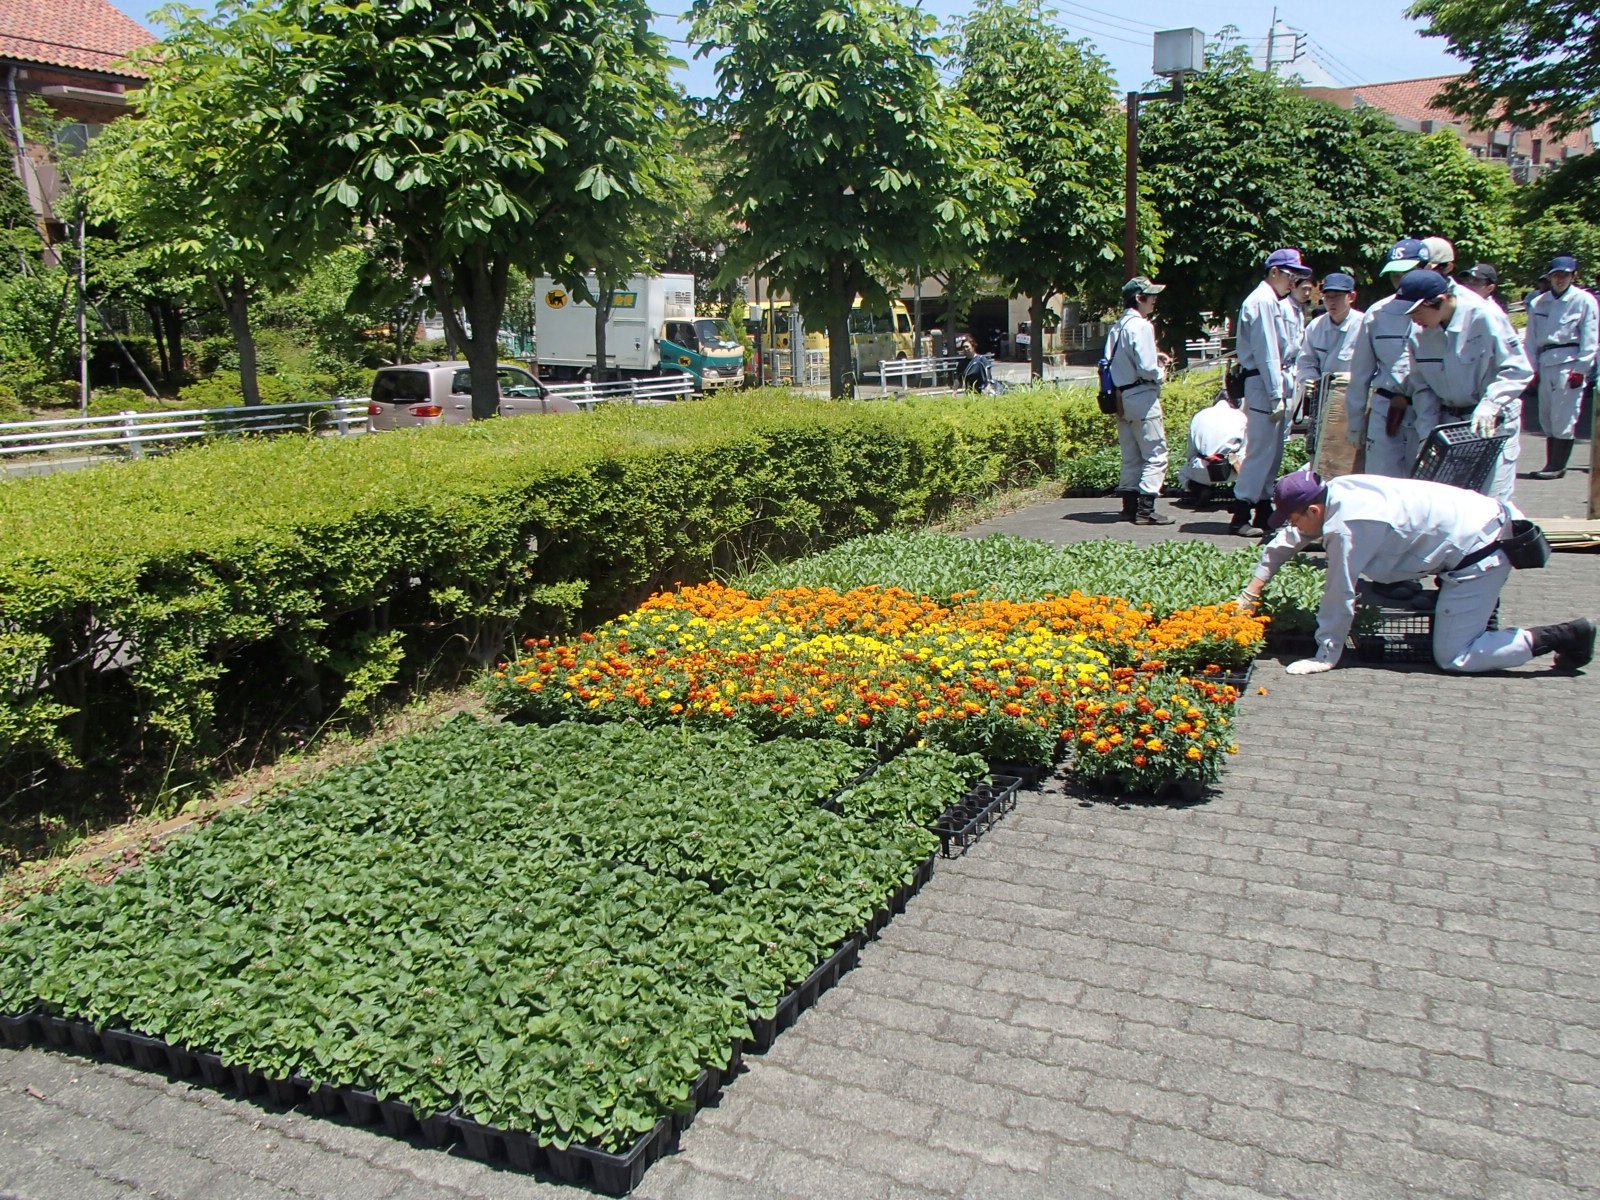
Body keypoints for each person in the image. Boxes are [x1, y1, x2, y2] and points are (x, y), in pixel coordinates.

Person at [1237, 466, 1595, 675]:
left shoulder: (1348, 527)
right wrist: (1252, 591)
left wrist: (1325, 655)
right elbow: (1288, 538)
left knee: (1454, 656)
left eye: (1296, 518)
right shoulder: (1336, 491)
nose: (1294, 527)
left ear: (1314, 510)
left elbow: (1339, 594)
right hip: (1481, 522)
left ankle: (1562, 636)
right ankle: (1476, 614)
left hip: (1481, 552)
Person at [1398, 269, 1533, 509]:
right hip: (1450, 426)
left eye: (1418, 311)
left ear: (1439, 301)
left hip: (1492, 423)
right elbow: (1423, 387)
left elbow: (1518, 370)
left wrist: (1491, 403)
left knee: (1492, 504)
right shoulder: (1418, 333)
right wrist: (1426, 434)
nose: (1414, 319)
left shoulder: (1485, 316)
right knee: (1451, 504)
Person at [1232, 247, 1312, 536]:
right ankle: (1242, 510)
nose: (1294, 282)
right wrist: (1276, 394)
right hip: (1266, 382)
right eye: (1291, 275)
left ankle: (1263, 509)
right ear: (1274, 271)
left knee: (1274, 450)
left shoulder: (1273, 301)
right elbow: (1267, 352)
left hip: (1275, 379)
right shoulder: (1263, 302)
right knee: (1261, 450)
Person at [1346, 238, 1426, 478]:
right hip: (1387, 407)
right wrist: (1355, 422)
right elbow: (1360, 374)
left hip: (1426, 407)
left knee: (1424, 484)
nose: (1400, 282)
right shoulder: (1377, 314)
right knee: (1381, 482)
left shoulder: (1443, 310)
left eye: (1407, 274)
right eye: (1395, 276)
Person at [1104, 276, 1174, 524]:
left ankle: (1129, 505)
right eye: (1151, 295)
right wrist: (1160, 370)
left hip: (1121, 396)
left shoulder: (1118, 326)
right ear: (1139, 298)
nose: (1155, 299)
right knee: (1156, 454)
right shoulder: (1142, 326)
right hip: (1142, 395)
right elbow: (1146, 368)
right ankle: (1146, 509)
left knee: (1131, 454)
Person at [1523, 254, 1599, 480]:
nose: (1560, 280)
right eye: (1556, 275)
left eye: (1565, 275)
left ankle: (1557, 465)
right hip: (1546, 360)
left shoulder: (1584, 300)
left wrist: (1582, 368)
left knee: (1564, 414)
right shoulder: (1539, 302)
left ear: (1573, 276)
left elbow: (1590, 336)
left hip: (1570, 360)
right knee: (1546, 414)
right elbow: (1531, 339)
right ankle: (1550, 462)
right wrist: (1532, 369)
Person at [1178, 389, 1246, 502]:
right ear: (1234, 402)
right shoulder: (1241, 416)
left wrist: (1192, 462)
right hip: (1232, 470)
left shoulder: (1199, 415)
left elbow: (1191, 450)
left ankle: (1200, 489)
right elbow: (1245, 448)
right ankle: (1243, 497)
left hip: (1202, 469)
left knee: (1182, 474)